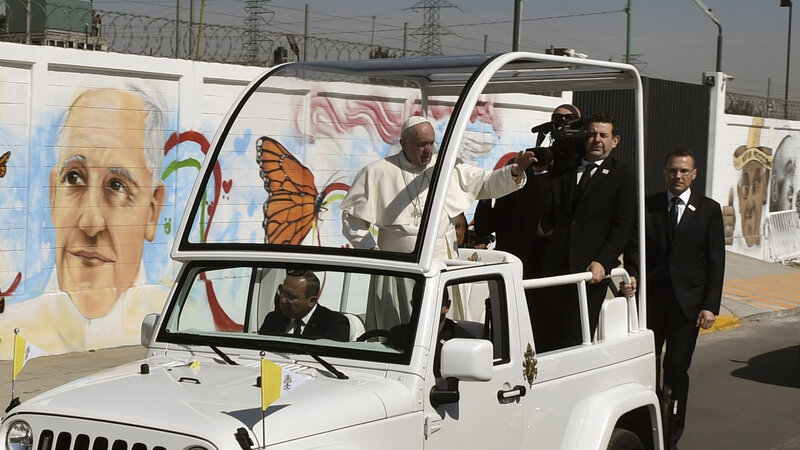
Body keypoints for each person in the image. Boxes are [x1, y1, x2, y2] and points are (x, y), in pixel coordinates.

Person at [0, 87, 168, 358]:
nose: (91, 223)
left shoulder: (183, 326)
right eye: (74, 178)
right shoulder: (8, 332)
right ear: (53, 195)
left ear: (152, 210)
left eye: (117, 185)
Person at [340, 115, 536, 259]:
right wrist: (370, 249)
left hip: (443, 258)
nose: (428, 150)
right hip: (398, 260)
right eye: (421, 144)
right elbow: (353, 220)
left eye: (432, 143)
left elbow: (485, 183)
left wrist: (514, 171)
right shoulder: (376, 172)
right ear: (403, 143)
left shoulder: (446, 166)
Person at [531, 112, 636, 351]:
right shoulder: (564, 169)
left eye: (603, 135)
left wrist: (603, 261)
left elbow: (623, 227)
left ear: (615, 140)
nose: (596, 139)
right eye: (591, 134)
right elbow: (547, 212)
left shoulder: (623, 176)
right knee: (544, 339)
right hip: (554, 270)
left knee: (575, 341)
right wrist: (539, 174)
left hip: (590, 275)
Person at [644, 148, 724, 449]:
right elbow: (636, 247)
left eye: (683, 171)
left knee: (676, 368)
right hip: (650, 303)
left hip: (686, 306)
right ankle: (648, 426)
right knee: (646, 368)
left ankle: (671, 432)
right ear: (665, 172)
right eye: (672, 170)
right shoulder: (649, 205)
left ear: (694, 174)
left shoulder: (708, 210)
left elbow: (716, 261)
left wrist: (709, 306)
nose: (677, 176)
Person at [476, 104, 583, 277]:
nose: (563, 123)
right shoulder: (529, 163)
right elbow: (501, 214)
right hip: (522, 253)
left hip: (560, 257)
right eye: (557, 119)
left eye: (569, 118)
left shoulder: (581, 168)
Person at [259, 270, 350, 341]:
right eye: (282, 293)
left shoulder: (334, 323)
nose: (283, 300)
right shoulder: (273, 319)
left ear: (312, 301)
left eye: (291, 297)